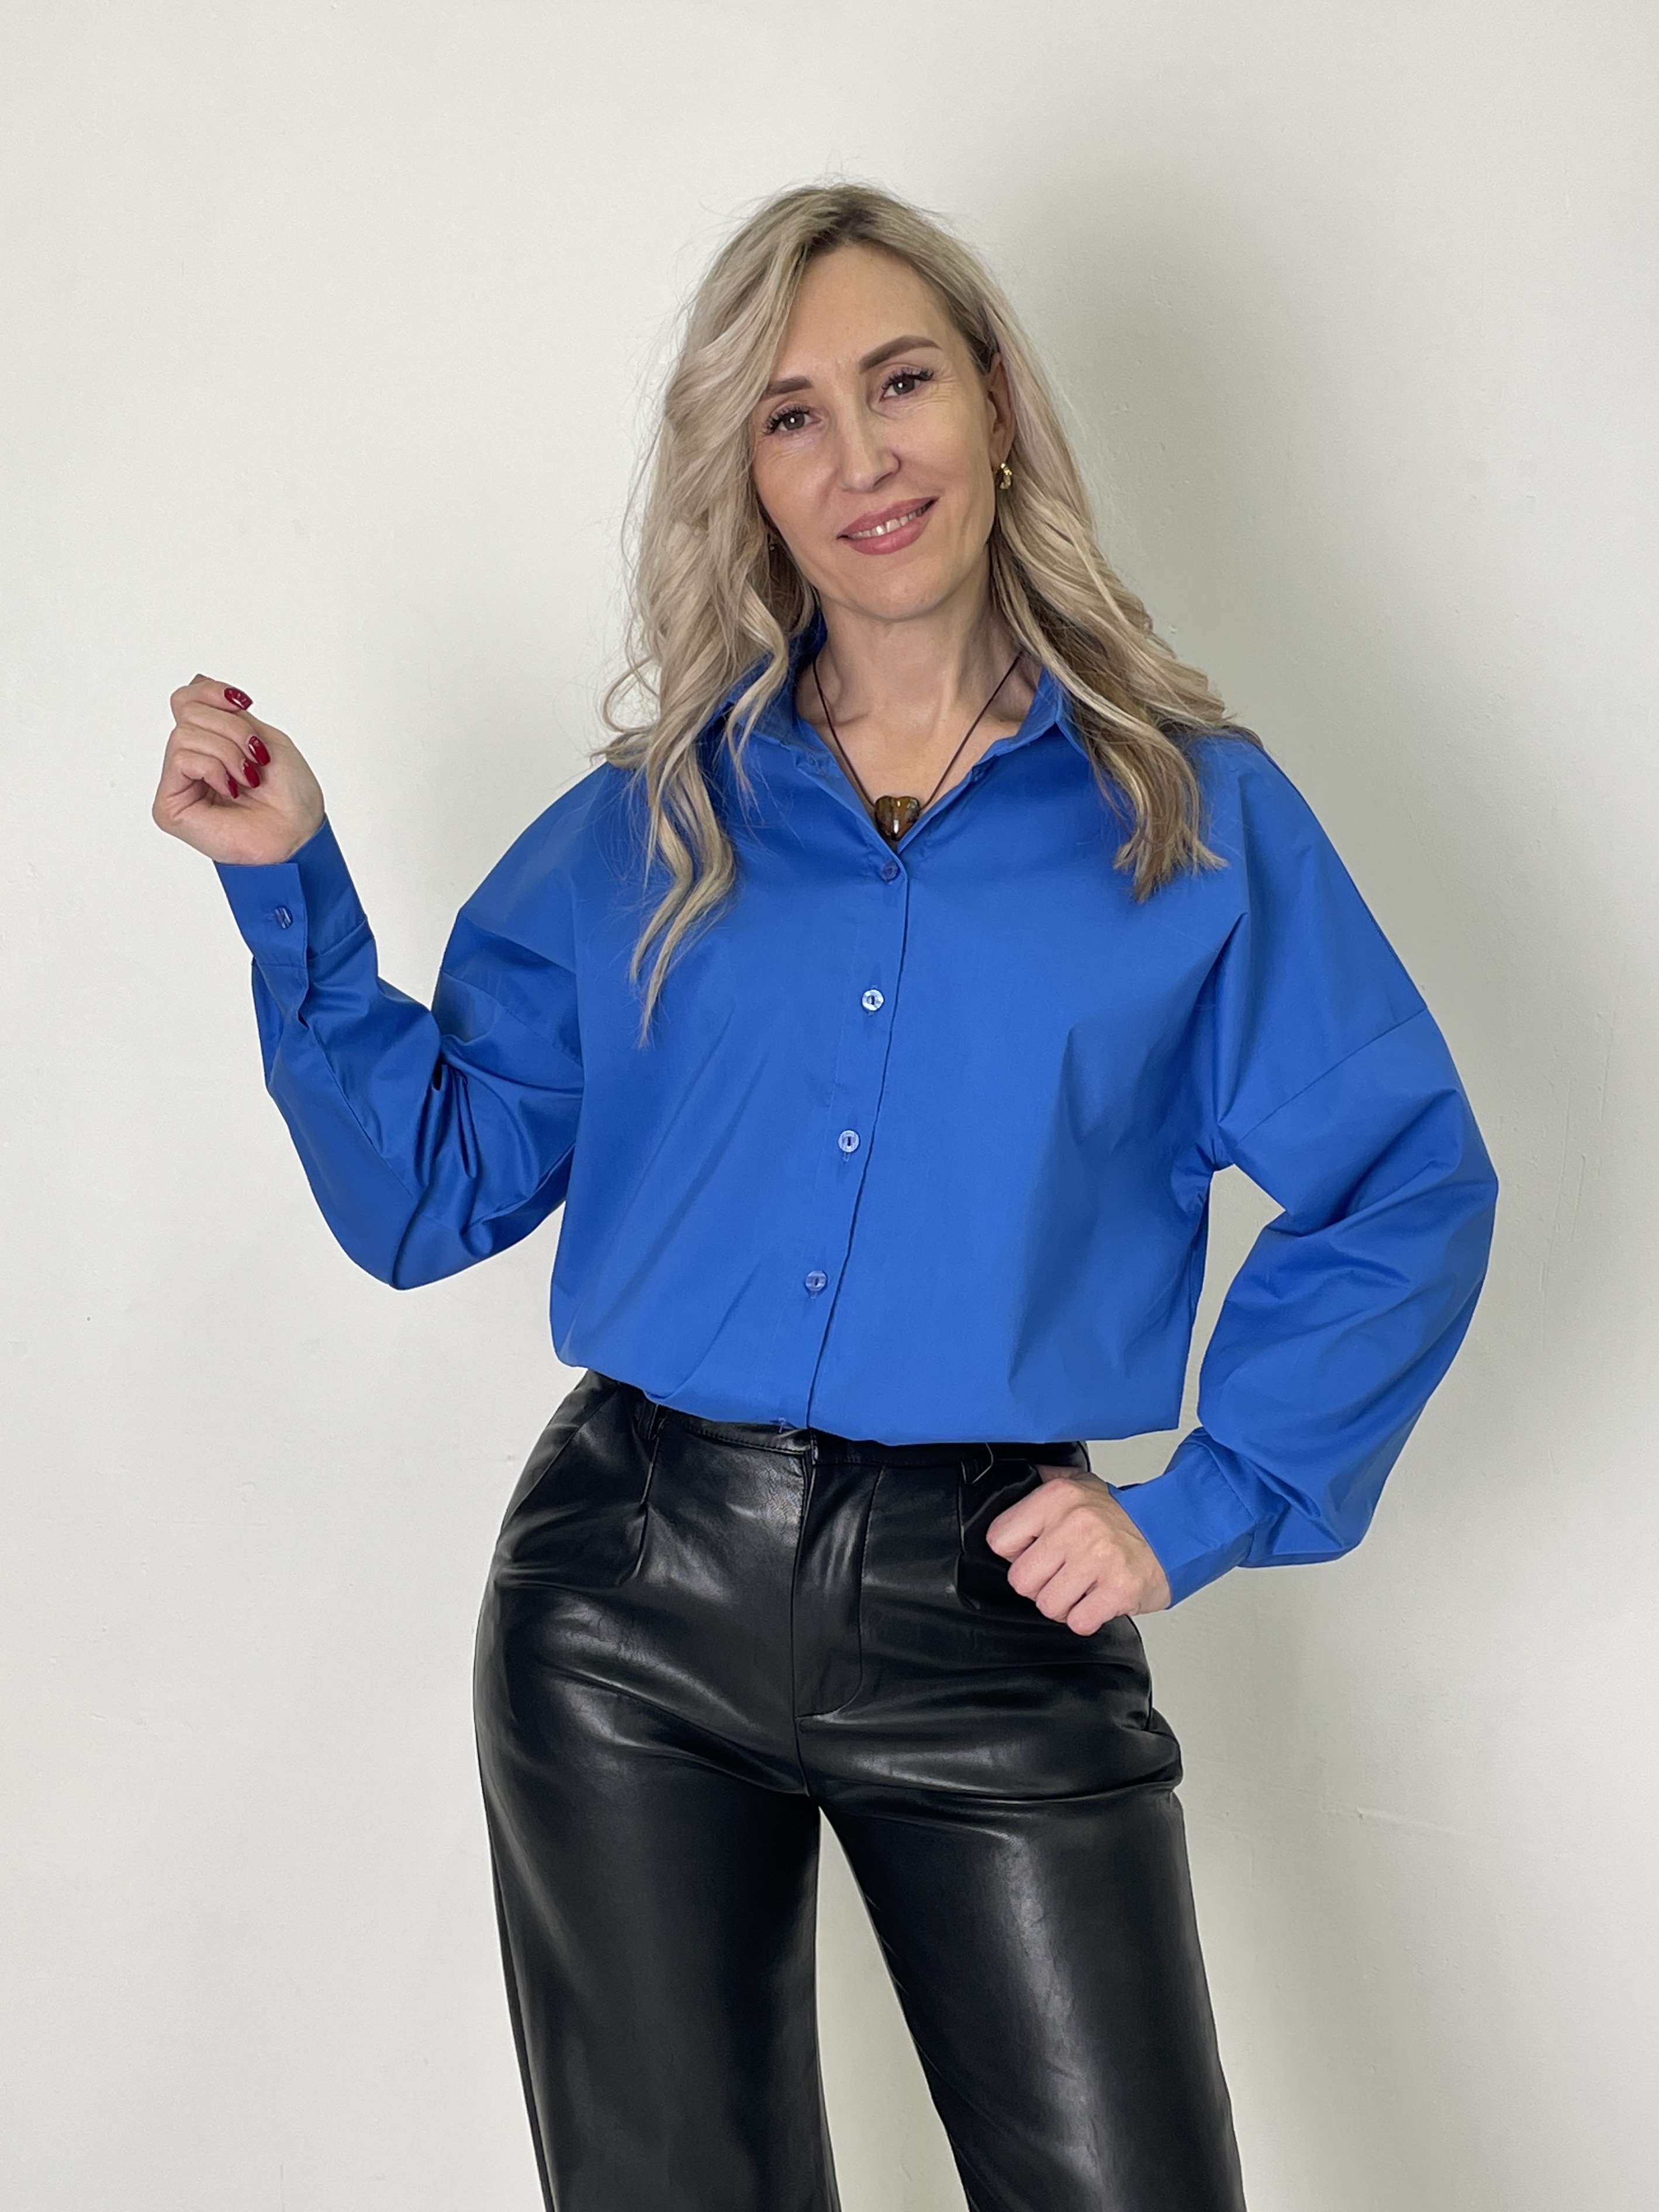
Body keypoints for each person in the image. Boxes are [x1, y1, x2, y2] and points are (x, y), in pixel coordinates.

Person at [152, 182, 1498, 2212]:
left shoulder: (1191, 820)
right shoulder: (650, 824)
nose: (862, 458)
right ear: (749, 478)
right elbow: (432, 1192)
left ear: (998, 408)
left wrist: (1199, 1506)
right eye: (793, 416)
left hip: (992, 1613)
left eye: (901, 384)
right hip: (626, 1605)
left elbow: (1406, 1181)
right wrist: (291, 894)